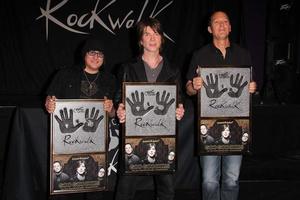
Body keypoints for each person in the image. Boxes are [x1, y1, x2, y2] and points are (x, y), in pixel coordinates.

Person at [186, 11, 257, 200]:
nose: (222, 25)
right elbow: (188, 89)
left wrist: (253, 87)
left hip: (236, 126)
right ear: (210, 29)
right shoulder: (199, 55)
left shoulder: (244, 55)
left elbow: (251, 87)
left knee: (232, 179)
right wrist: (194, 85)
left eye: (225, 21)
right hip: (209, 128)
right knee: (209, 180)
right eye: (217, 22)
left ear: (231, 27)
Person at [115, 17, 185, 200]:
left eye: (156, 34)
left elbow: (178, 100)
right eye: (147, 34)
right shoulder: (127, 68)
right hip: (134, 135)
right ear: (140, 40)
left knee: (167, 188)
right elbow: (119, 99)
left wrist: (179, 109)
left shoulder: (173, 70)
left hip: (163, 136)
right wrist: (120, 109)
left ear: (162, 39)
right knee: (125, 188)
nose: (152, 38)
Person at [45, 38, 115, 200]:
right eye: (92, 52)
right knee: (62, 187)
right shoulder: (65, 74)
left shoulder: (110, 79)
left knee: (94, 189)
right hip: (67, 142)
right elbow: (50, 98)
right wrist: (49, 104)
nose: (96, 56)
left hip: (95, 143)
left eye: (100, 54)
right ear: (84, 54)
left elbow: (113, 115)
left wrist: (110, 108)